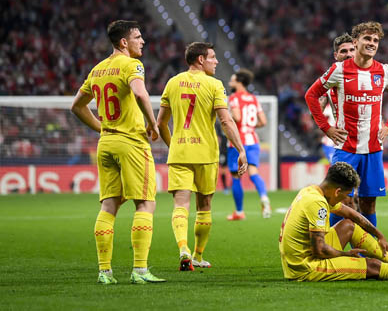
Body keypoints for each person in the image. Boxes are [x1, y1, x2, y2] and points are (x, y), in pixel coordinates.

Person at [70, 20, 165, 285]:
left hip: (106, 143)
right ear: (124, 42)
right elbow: (140, 93)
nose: (142, 41)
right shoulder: (132, 65)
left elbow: (76, 106)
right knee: (145, 203)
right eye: (138, 37)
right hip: (131, 143)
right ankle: (140, 270)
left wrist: (102, 127)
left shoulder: (98, 69)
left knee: (109, 205)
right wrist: (152, 123)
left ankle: (105, 271)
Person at [305, 22, 388, 228]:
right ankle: (333, 247)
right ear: (356, 42)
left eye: (375, 40)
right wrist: (326, 128)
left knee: (368, 203)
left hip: (373, 148)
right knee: (340, 201)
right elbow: (311, 95)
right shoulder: (339, 70)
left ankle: (367, 253)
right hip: (346, 148)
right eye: (367, 39)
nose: (371, 43)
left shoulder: (384, 71)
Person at [156, 42, 247, 271]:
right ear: (200, 59)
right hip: (206, 154)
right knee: (204, 205)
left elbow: (160, 123)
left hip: (180, 153)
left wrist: (173, 145)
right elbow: (226, 121)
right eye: (213, 57)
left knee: (180, 204)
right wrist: (240, 149)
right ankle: (197, 255)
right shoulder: (214, 85)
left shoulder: (172, 82)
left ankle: (183, 248)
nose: (216, 62)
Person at [226, 69, 271, 220]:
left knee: (236, 176)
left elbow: (237, 117)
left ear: (239, 81)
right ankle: (264, 198)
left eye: (232, 79)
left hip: (237, 142)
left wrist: (227, 115)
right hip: (253, 139)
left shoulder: (234, 98)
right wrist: (250, 126)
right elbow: (263, 121)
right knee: (253, 172)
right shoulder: (253, 98)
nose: (230, 82)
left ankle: (239, 212)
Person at [319, 33, 355, 164]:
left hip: (368, 143)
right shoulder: (329, 81)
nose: (349, 54)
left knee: (368, 184)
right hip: (340, 143)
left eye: (352, 50)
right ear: (336, 56)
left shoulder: (372, 73)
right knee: (340, 181)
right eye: (343, 51)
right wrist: (327, 128)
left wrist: (387, 127)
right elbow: (315, 111)